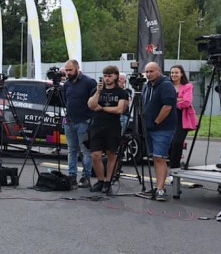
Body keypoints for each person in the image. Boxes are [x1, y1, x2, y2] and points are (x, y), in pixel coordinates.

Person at [136, 62, 178, 201]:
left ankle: (160, 189)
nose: (148, 74)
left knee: (160, 157)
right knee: (155, 158)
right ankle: (159, 185)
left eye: (151, 71)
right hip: (149, 128)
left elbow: (167, 106)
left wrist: (156, 122)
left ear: (159, 71)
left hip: (162, 128)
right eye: (147, 71)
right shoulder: (147, 85)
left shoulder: (166, 85)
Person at [86, 65, 128, 194]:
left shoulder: (121, 92)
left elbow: (120, 109)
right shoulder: (96, 90)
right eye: (105, 76)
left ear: (116, 76)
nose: (107, 78)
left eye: (109, 76)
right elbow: (91, 105)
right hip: (97, 126)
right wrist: (98, 92)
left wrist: (103, 108)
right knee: (95, 155)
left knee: (111, 154)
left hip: (113, 127)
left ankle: (108, 181)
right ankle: (100, 180)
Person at [61, 59, 96, 187]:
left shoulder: (89, 82)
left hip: (84, 121)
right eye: (66, 70)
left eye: (70, 70)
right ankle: (72, 175)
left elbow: (95, 100)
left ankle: (86, 176)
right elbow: (65, 101)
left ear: (77, 68)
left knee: (85, 150)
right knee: (71, 150)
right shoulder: (67, 84)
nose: (68, 72)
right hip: (69, 121)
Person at [168, 65, 198, 171]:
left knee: (177, 142)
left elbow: (187, 102)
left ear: (181, 74)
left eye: (176, 72)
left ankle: (175, 169)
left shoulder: (187, 86)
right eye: (172, 72)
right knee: (170, 143)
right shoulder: (167, 86)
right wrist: (178, 99)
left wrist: (172, 102)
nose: (174, 75)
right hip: (168, 118)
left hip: (182, 118)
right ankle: (172, 165)